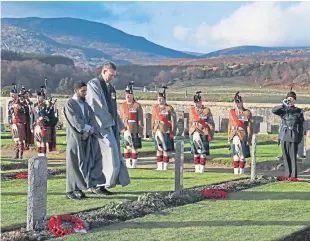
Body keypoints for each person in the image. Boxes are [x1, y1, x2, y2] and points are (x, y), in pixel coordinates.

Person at [86, 62, 130, 193]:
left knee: (111, 154)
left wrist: (120, 125)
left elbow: (113, 109)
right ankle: (98, 184)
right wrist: (108, 123)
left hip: (111, 125)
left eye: (114, 75)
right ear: (104, 71)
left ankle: (103, 184)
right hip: (101, 125)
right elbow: (96, 106)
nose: (112, 78)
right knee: (108, 152)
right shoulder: (93, 85)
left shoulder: (110, 87)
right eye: (111, 75)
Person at [63, 81, 107, 200]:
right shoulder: (70, 104)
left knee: (94, 159)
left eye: (86, 91)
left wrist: (91, 130)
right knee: (74, 163)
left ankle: (94, 185)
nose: (85, 93)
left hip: (89, 137)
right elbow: (75, 121)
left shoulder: (86, 105)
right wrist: (86, 129)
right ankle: (72, 189)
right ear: (76, 90)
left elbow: (92, 118)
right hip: (75, 138)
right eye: (83, 91)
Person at [272, 87, 304, 178]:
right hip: (284, 135)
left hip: (293, 135)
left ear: (295, 101)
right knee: (285, 157)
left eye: (292, 99)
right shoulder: (283, 110)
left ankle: (293, 176)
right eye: (289, 99)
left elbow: (301, 127)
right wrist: (283, 104)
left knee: (293, 157)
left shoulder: (298, 111)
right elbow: (273, 110)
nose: (291, 101)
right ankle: (287, 175)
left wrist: (300, 138)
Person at [189, 91, 215, 173]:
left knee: (203, 152)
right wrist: (189, 131)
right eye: (195, 102)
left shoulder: (206, 110)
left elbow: (211, 122)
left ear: (201, 101)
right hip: (193, 131)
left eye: (198, 102)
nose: (197, 104)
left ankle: (202, 169)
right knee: (195, 152)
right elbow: (190, 122)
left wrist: (211, 133)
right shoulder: (191, 110)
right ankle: (197, 169)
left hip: (203, 131)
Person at [119, 82, 144, 168]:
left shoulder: (137, 105)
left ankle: (133, 164)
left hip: (134, 129)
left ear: (133, 95)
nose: (127, 97)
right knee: (126, 147)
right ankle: (127, 163)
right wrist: (121, 130)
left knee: (134, 147)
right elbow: (120, 118)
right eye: (126, 95)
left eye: (129, 95)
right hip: (125, 129)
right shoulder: (122, 106)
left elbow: (140, 119)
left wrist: (140, 131)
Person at [151, 86, 176, 171]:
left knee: (165, 149)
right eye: (158, 98)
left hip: (166, 130)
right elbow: (153, 119)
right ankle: (159, 166)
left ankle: (165, 167)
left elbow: (173, 120)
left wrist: (173, 131)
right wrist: (152, 130)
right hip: (157, 129)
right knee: (158, 149)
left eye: (161, 98)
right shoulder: (155, 108)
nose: (159, 100)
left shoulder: (169, 108)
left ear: (164, 99)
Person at [228, 92, 253, 174]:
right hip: (233, 133)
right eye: (236, 102)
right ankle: (235, 171)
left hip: (242, 134)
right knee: (235, 154)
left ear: (242, 102)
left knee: (242, 155)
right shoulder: (231, 112)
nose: (237, 104)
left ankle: (241, 171)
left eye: (239, 102)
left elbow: (249, 126)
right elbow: (229, 125)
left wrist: (249, 138)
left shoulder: (247, 113)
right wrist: (228, 136)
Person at [33, 86, 57, 156]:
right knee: (38, 141)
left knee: (43, 141)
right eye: (37, 96)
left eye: (39, 96)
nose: (38, 98)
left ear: (43, 97)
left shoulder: (47, 105)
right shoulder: (35, 105)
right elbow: (33, 115)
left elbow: (51, 115)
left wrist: (45, 117)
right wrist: (32, 126)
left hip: (44, 126)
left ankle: (43, 156)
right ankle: (39, 155)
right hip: (37, 125)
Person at [8, 84, 26, 159]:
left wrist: (19, 105)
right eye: (11, 95)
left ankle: (21, 155)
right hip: (14, 123)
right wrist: (10, 123)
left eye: (13, 95)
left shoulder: (20, 102)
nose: (12, 96)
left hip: (20, 122)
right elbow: (9, 114)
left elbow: (24, 110)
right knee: (15, 140)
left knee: (20, 140)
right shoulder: (10, 103)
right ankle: (16, 154)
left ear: (16, 94)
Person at [19, 85, 34, 150]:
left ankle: (28, 144)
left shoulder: (28, 102)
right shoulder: (20, 102)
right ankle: (23, 145)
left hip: (28, 119)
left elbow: (31, 106)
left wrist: (27, 99)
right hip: (22, 119)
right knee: (23, 133)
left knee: (28, 132)